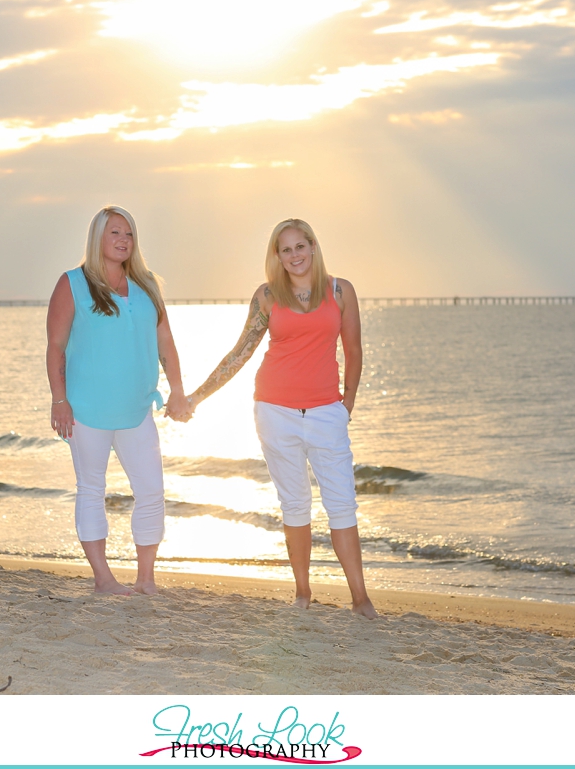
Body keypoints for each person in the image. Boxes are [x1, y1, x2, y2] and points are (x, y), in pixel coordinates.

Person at [187, 218, 377, 618]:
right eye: (285, 249)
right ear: (277, 256)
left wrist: (347, 406)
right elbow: (240, 354)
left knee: (342, 505)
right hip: (274, 411)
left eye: (299, 246)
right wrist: (196, 397)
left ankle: (361, 600)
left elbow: (355, 351)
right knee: (295, 504)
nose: (294, 255)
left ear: (313, 246)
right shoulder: (268, 296)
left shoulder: (341, 291)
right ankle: (303, 592)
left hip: (327, 411)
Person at [46, 205, 189, 596]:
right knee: (91, 489)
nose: (124, 240)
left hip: (137, 409)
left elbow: (166, 342)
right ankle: (103, 578)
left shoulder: (147, 286)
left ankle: (145, 578)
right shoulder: (72, 283)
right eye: (115, 233)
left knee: (151, 491)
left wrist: (176, 390)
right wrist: (60, 400)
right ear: (98, 238)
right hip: (87, 411)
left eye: (128, 233)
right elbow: (56, 345)